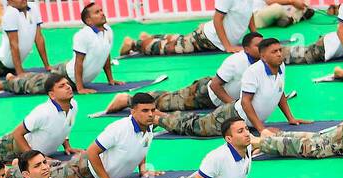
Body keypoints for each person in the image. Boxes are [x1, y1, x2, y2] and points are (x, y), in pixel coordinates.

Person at [66, 117, 273, 178]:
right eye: (240, 131)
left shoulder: (245, 150)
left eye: (246, 129)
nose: (247, 133)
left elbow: (238, 174)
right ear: (228, 138)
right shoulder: (217, 157)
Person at [158, 38, 309, 138]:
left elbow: (279, 91)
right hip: (231, 116)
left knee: (196, 120)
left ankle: (162, 114)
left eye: (279, 51)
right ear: (263, 56)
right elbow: (245, 102)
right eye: (274, 52)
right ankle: (160, 117)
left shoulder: (281, 66)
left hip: (247, 121)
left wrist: (291, 118)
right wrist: (262, 130)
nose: (279, 54)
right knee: (193, 126)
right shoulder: (253, 71)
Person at [100, 32, 264, 117]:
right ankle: (127, 99)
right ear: (247, 49)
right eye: (258, 46)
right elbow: (215, 85)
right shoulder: (235, 62)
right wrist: (232, 104)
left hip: (216, 94)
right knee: (169, 101)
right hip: (205, 93)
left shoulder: (263, 63)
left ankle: (146, 40)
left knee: (177, 41)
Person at [0, 2, 114, 97]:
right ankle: (2, 84)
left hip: (70, 72)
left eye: (101, 10)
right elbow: (79, 63)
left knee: (39, 77)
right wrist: (80, 88)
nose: (102, 14)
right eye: (97, 12)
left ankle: (12, 77)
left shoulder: (108, 31)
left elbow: (105, 54)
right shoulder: (83, 35)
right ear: (89, 21)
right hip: (68, 76)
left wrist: (110, 80)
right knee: (34, 85)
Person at [122, 0, 255, 56]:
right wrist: (227, 46)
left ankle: (149, 38)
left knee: (181, 40)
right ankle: (134, 44)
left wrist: (255, 36)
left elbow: (250, 13)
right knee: (171, 48)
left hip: (211, 37)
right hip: (208, 39)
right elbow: (217, 19)